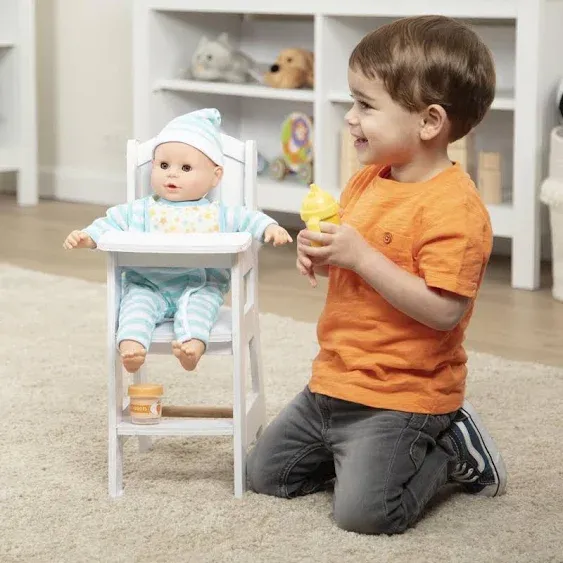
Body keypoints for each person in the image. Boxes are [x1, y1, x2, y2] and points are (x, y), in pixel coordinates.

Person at [247, 15, 507, 534]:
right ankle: (361, 456)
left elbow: (443, 311)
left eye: (365, 105)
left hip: (403, 394)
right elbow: (350, 248)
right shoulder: (368, 180)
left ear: (429, 122)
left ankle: (450, 448)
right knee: (264, 475)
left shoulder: (455, 209)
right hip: (335, 379)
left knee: (365, 514)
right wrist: (319, 250)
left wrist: (363, 257)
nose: (349, 118)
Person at [63, 108, 292, 373]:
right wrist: (88, 236)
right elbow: (109, 223)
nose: (172, 174)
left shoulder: (217, 213)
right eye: (163, 166)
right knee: (134, 308)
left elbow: (249, 219)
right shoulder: (140, 210)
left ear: (216, 176)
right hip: (149, 284)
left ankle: (192, 348)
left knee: (200, 310)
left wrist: (269, 228)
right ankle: (131, 349)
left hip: (198, 285)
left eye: (185, 168)